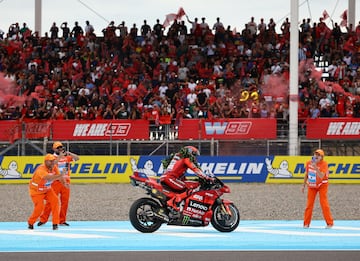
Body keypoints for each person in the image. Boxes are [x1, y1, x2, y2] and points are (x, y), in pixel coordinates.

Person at [38, 142, 79, 227]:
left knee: (65, 202)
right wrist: (60, 157)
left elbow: (77, 158)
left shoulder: (67, 157)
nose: (60, 149)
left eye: (61, 147)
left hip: (66, 182)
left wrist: (69, 153)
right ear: (54, 149)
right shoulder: (51, 158)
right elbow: (51, 166)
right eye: (58, 148)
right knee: (50, 202)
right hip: (55, 182)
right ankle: (43, 219)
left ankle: (62, 220)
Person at [160, 146, 214, 211]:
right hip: (170, 178)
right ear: (189, 153)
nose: (195, 157)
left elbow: (180, 176)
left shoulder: (177, 158)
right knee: (188, 188)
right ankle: (174, 203)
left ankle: (174, 206)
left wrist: (190, 180)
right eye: (194, 155)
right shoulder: (186, 159)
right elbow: (195, 169)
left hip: (165, 178)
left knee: (184, 186)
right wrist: (206, 177)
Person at [28, 154, 68, 230]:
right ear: (46, 161)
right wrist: (61, 175)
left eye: (53, 161)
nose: (53, 163)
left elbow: (59, 176)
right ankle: (31, 222)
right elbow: (49, 178)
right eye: (51, 161)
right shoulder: (41, 169)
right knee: (39, 208)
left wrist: (64, 183)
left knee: (55, 201)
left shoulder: (54, 167)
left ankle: (55, 224)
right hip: (36, 191)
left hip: (47, 189)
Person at [301, 149, 334, 229]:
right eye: (315, 154)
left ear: (322, 157)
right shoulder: (309, 163)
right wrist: (303, 185)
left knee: (324, 203)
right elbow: (306, 174)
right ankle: (306, 223)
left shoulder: (324, 164)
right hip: (312, 185)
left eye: (318, 155)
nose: (316, 156)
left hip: (322, 185)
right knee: (309, 204)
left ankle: (329, 223)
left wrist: (315, 167)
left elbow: (321, 176)